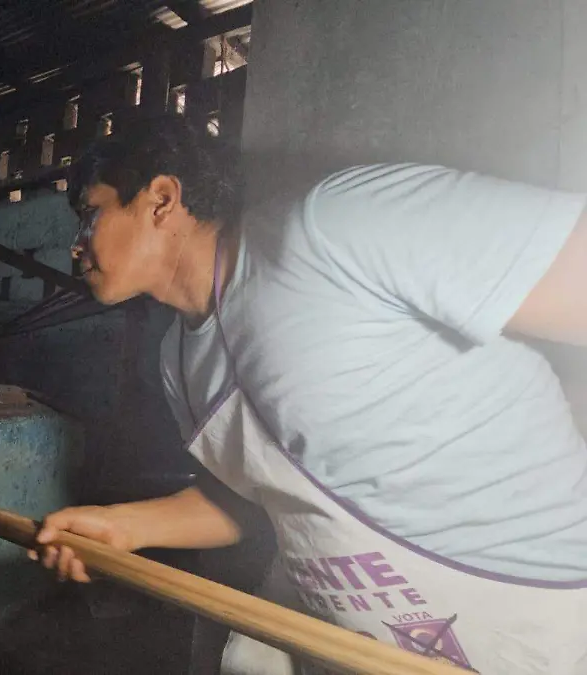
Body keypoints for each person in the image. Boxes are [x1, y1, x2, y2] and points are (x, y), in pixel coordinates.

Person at [29, 114, 587, 674]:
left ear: (162, 199)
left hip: (528, 627)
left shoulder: (331, 228)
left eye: (88, 214)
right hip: (346, 643)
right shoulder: (179, 359)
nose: (75, 248)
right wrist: (125, 526)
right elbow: (262, 500)